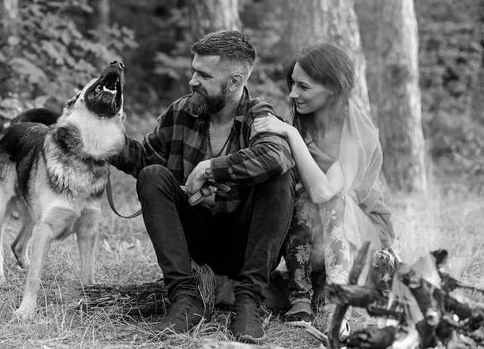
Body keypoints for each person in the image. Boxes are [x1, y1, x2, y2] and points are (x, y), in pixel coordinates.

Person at [112, 30, 296, 343]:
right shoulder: (183, 110)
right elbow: (143, 157)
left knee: (280, 176)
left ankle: (249, 301)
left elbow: (276, 155)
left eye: (203, 74)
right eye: (194, 70)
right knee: (154, 175)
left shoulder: (257, 115)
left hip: (243, 244)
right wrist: (98, 134)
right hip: (194, 240)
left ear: (235, 82)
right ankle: (186, 299)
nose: (193, 81)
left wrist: (211, 169)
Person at [252, 43, 395, 333]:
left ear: (332, 88)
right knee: (298, 195)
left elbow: (325, 192)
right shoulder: (307, 122)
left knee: (331, 199)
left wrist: (290, 134)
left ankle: (337, 306)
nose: (293, 93)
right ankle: (301, 296)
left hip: (363, 239)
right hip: (320, 242)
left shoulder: (358, 134)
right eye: (292, 83)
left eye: (303, 86)